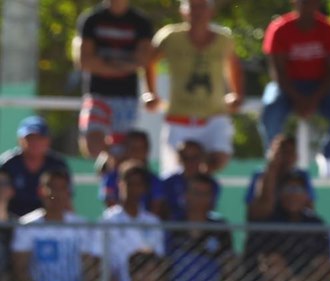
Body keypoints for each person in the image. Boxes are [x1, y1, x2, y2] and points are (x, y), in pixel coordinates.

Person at [143, 0, 244, 175]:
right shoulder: (169, 36)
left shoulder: (223, 39)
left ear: (211, 12)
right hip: (179, 117)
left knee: (219, 159)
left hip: (214, 116)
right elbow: (149, 60)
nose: (197, 12)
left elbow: (234, 66)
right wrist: (150, 93)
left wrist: (236, 94)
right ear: (183, 12)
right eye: (192, 6)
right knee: (175, 172)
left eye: (202, 6)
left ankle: (199, 182)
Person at [259, 0, 330, 178]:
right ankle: (274, 158)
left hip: (322, 87)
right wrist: (299, 99)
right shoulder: (279, 28)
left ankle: (329, 155)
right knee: (270, 110)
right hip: (287, 85)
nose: (307, 4)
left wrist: (313, 99)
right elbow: (278, 73)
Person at [11, 169, 101, 281]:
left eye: (62, 188)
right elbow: (19, 268)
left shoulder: (80, 226)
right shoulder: (28, 226)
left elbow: (89, 265)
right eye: (52, 188)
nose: (57, 194)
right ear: (41, 191)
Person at [74, 0, 154, 161]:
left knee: (125, 151)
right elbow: (84, 61)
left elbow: (143, 60)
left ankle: (112, 175)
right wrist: (124, 66)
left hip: (127, 96)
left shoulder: (141, 22)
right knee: (93, 146)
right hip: (97, 93)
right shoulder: (91, 19)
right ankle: (106, 164)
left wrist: (104, 64)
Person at [100, 161, 165, 281]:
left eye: (138, 184)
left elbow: (158, 258)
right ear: (120, 185)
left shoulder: (153, 222)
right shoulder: (109, 220)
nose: (133, 189)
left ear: (145, 188)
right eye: (129, 183)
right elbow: (101, 258)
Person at [0, 117, 72, 220]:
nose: (34, 142)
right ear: (20, 139)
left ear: (48, 140)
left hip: (46, 222)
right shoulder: (7, 164)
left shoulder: (58, 165)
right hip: (12, 222)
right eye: (30, 138)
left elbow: (66, 200)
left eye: (39, 138)